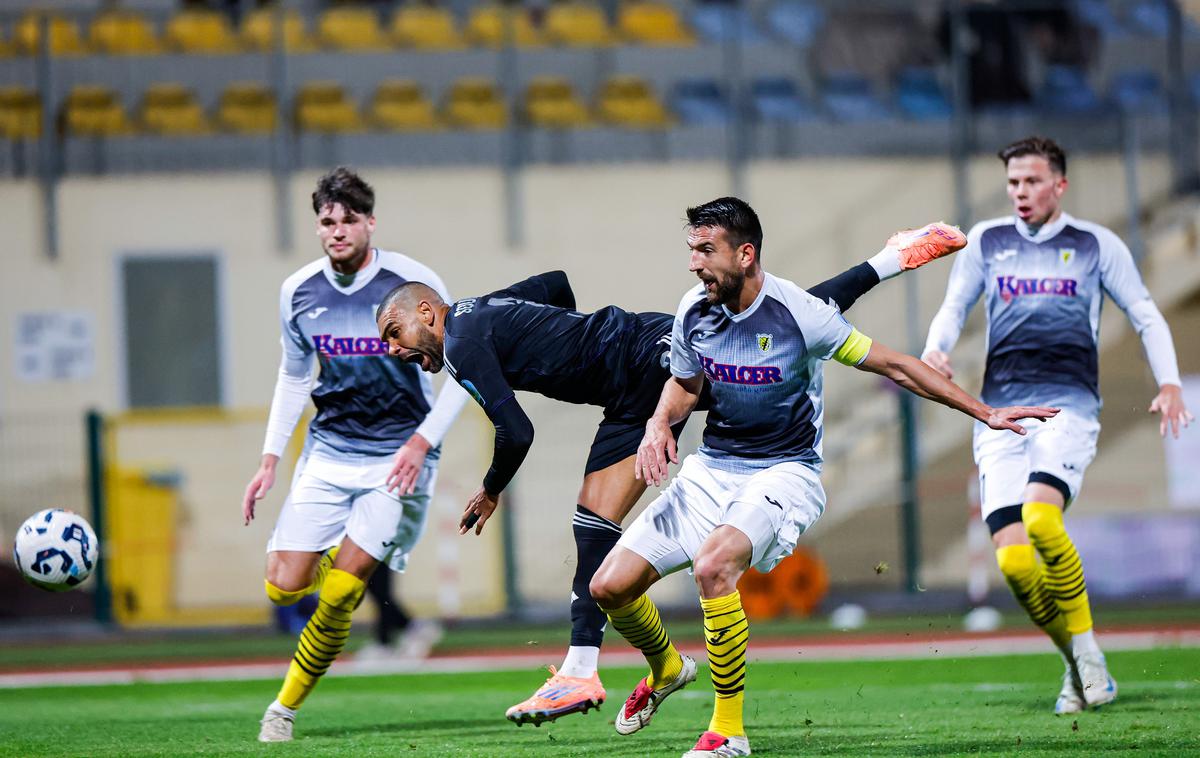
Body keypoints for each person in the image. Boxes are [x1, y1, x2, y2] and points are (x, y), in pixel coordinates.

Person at [376, 218, 966, 726]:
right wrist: (559, 340)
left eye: (394, 334)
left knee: (780, 331)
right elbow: (556, 284)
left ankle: (891, 257)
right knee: (593, 522)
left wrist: (489, 489)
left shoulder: (458, 343)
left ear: (426, 311)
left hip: (640, 350)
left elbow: (516, 431)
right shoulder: (481, 313)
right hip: (625, 397)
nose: (395, 350)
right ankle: (656, 667)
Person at [584, 196, 1058, 757]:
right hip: (710, 472)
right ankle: (668, 668)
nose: (694, 263)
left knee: (714, 566)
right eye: (691, 251)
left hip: (784, 473)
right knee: (607, 586)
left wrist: (984, 411)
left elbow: (896, 365)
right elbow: (685, 383)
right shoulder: (694, 309)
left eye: (705, 250)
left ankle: (728, 734)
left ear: (746, 253)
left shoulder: (801, 315)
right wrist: (659, 424)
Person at [921, 136, 1193, 714]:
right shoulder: (987, 242)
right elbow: (952, 308)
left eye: (1032, 181)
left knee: (1042, 519)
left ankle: (1089, 656)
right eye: (1014, 183)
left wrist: (1168, 382)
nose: (1021, 192)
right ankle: (1078, 668)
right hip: (998, 416)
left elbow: (1144, 313)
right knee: (1016, 563)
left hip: (1067, 408)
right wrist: (935, 349)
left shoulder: (1097, 245)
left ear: (1060, 185)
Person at [241, 167, 467, 742]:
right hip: (328, 454)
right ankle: (333, 556)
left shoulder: (413, 284)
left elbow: (463, 374)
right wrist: (269, 459)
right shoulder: (299, 291)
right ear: (318, 227)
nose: (337, 230)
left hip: (396, 459)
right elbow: (294, 377)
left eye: (348, 220)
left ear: (370, 223)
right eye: (326, 221)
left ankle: (283, 710)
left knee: (342, 592)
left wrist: (421, 443)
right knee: (282, 587)